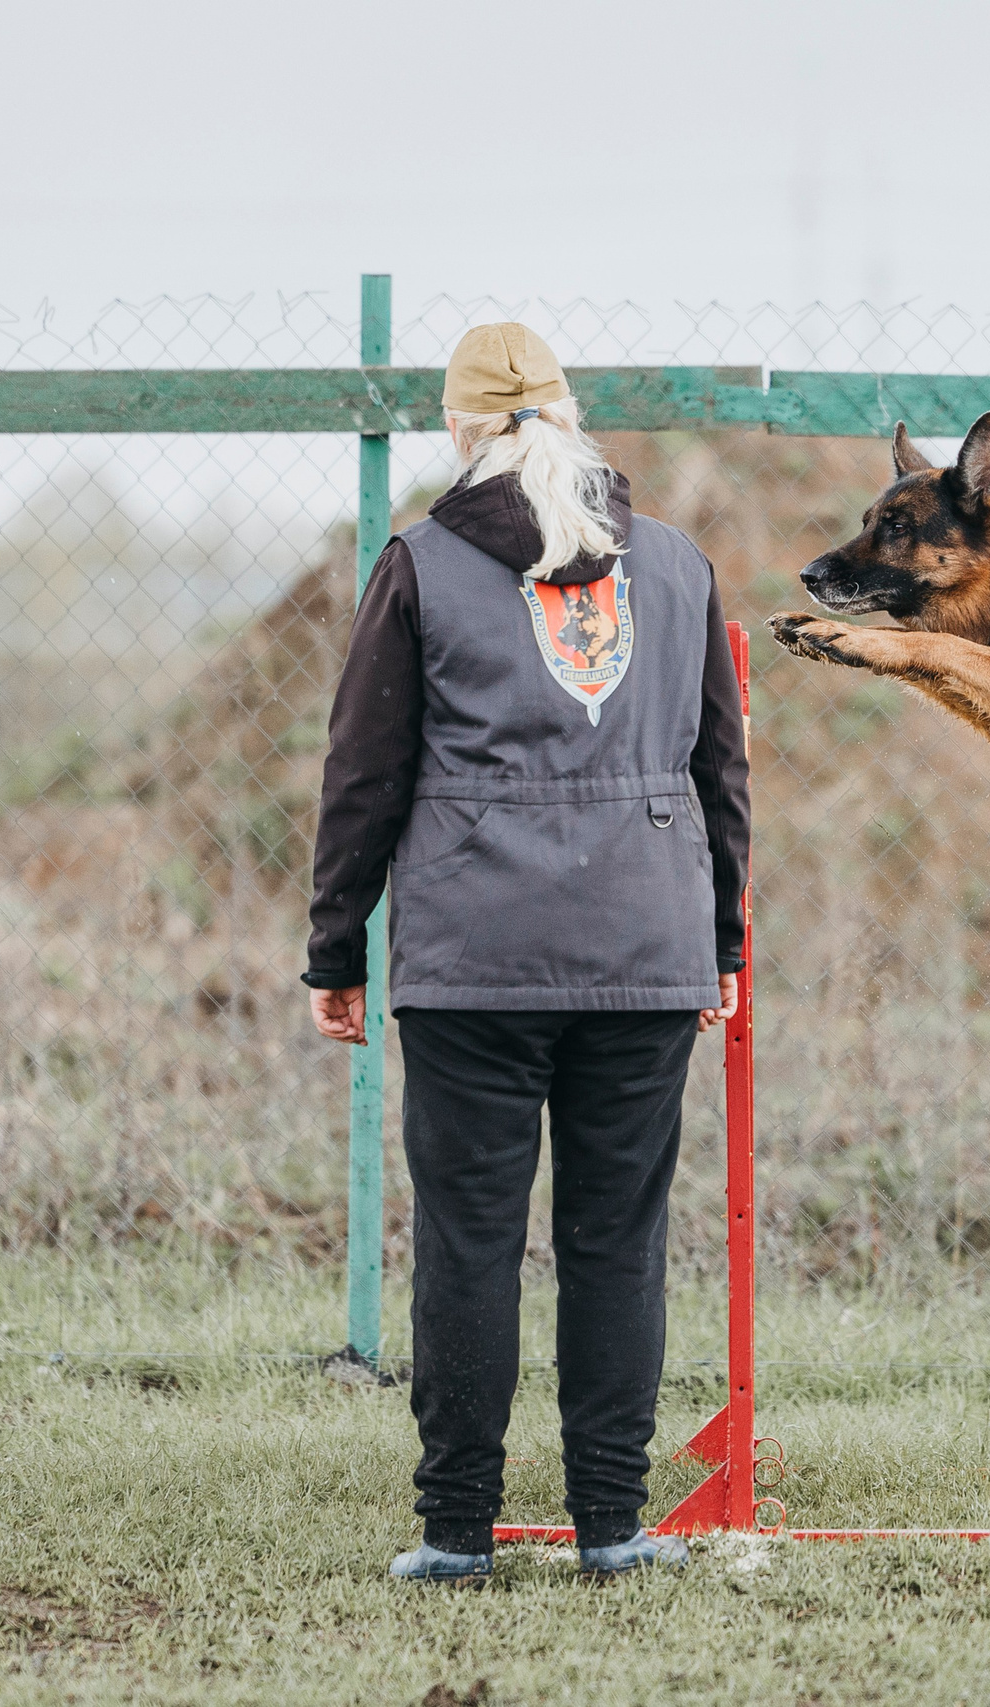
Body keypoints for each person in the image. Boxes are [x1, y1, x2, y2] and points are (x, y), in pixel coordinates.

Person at [302, 323, 751, 1581]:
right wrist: (719, 937)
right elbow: (721, 770)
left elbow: (363, 773)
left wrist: (338, 947)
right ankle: (611, 1524)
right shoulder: (674, 565)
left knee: (471, 1240)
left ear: (460, 430)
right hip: (645, 950)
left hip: (473, 959)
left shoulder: (422, 564)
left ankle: (457, 1533)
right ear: (568, 417)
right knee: (617, 1239)